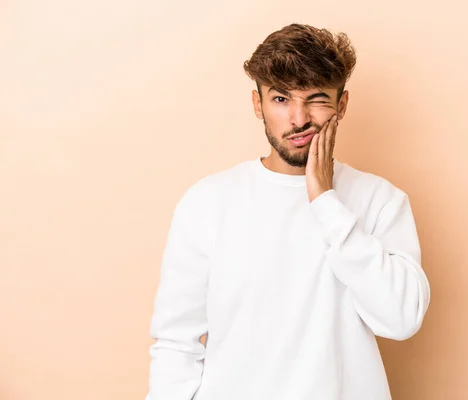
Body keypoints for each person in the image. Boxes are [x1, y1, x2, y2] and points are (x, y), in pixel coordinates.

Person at [145, 23, 430, 400]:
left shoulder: (379, 199)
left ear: (341, 105)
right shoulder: (208, 202)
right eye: (281, 99)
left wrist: (326, 201)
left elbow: (401, 318)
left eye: (316, 99)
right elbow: (176, 342)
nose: (299, 119)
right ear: (257, 104)